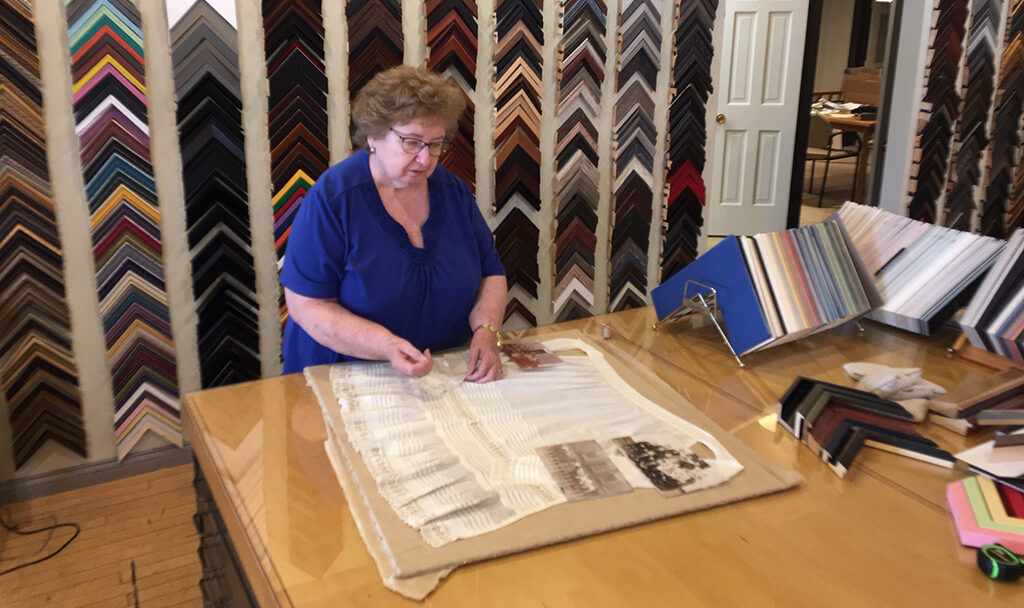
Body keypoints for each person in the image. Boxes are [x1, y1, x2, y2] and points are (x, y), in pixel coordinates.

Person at [280, 65, 507, 382]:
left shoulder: (452, 191)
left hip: (438, 374)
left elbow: (491, 272)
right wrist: (385, 345)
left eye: (436, 144)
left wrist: (486, 331)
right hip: (342, 376)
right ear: (373, 135)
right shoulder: (333, 199)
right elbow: (307, 305)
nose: (426, 159)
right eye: (412, 142)